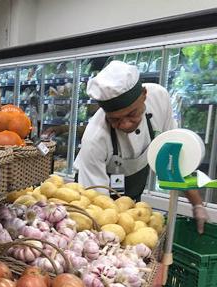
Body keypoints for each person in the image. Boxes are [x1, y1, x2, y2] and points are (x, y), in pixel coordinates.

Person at [74, 60, 208, 233]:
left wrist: (197, 203)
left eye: (132, 114)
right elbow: (96, 210)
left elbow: (173, 158)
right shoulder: (95, 139)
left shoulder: (159, 99)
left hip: (131, 201)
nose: (125, 124)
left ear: (144, 95)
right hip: (96, 198)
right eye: (115, 119)